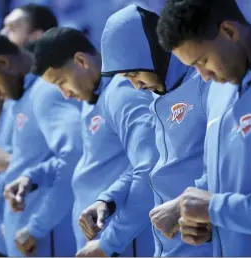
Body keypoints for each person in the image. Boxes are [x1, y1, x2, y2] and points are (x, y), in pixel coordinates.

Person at [157, 0, 251, 256]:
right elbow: (222, 181)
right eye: (193, 66)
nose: (203, 76)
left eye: (203, 60)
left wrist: (216, 209)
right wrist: (207, 224)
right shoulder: (219, 89)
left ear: (230, 32)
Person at [5, 27, 158, 257]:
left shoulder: (123, 94)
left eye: (61, 82)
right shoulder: (91, 101)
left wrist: (110, 243)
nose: (65, 94)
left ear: (81, 61)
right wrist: (33, 177)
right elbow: (85, 163)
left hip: (123, 244)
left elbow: (147, 170)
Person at [85, 4, 212, 257]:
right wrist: (109, 200)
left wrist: (185, 205)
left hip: (202, 241)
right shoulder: (157, 97)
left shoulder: (204, 83)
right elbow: (151, 167)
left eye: (135, 72)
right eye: (127, 77)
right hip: (170, 245)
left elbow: (226, 161)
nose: (135, 84)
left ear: (156, 54)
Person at [0, 32, 81, 256]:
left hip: (50, 241)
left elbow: (74, 156)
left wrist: (37, 226)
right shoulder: (20, 98)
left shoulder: (45, 92)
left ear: (3, 62)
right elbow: (27, 159)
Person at [0, 4, 58, 256]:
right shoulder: (14, 97)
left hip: (45, 230)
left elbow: (66, 159)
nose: (2, 32)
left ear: (37, 36)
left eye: (11, 28)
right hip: (16, 231)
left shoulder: (52, 88)